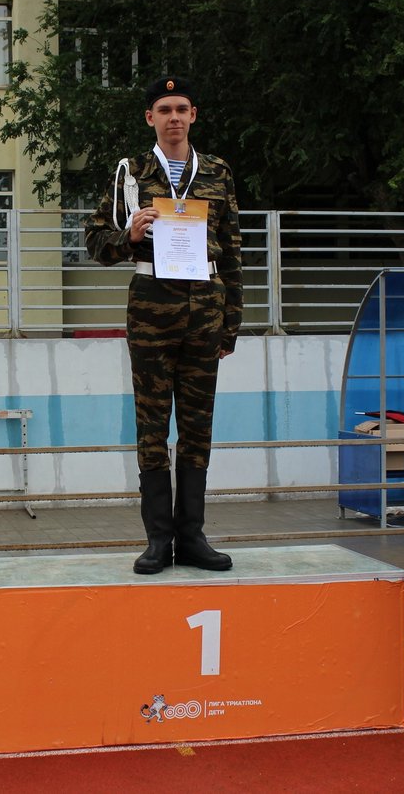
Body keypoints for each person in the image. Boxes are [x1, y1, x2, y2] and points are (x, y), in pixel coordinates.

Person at [84, 76, 242, 575]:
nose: (174, 117)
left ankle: (192, 537)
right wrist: (128, 237)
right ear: (150, 118)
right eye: (164, 109)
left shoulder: (216, 171)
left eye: (181, 109)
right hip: (152, 306)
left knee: (198, 426)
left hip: (206, 309)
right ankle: (158, 539)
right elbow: (93, 242)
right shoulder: (131, 173)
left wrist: (230, 324)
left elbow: (232, 250)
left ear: (193, 115)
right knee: (152, 426)